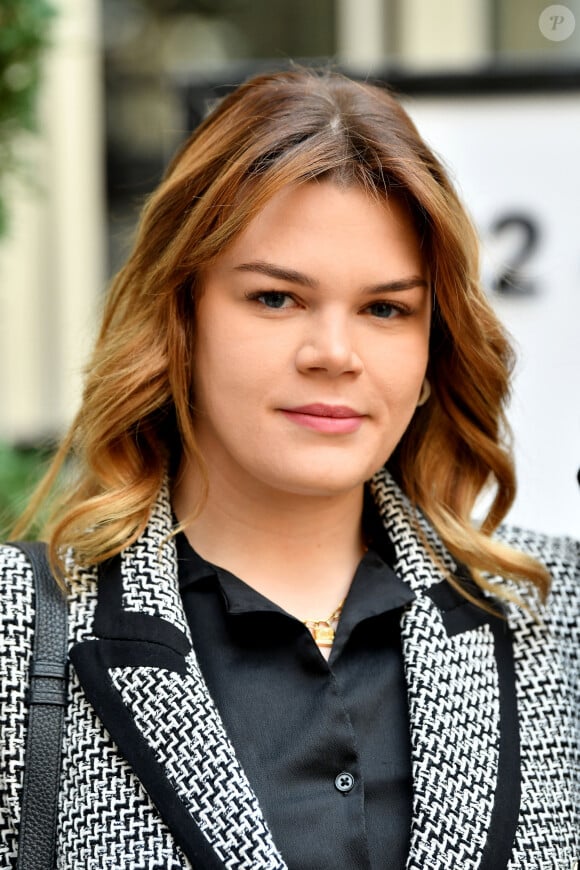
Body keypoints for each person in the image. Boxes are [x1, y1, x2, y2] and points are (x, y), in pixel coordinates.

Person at [0, 68, 578, 870]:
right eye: (276, 298)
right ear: (181, 317)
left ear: (431, 348)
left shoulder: (556, 619)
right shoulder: (20, 634)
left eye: (386, 309)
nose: (334, 355)